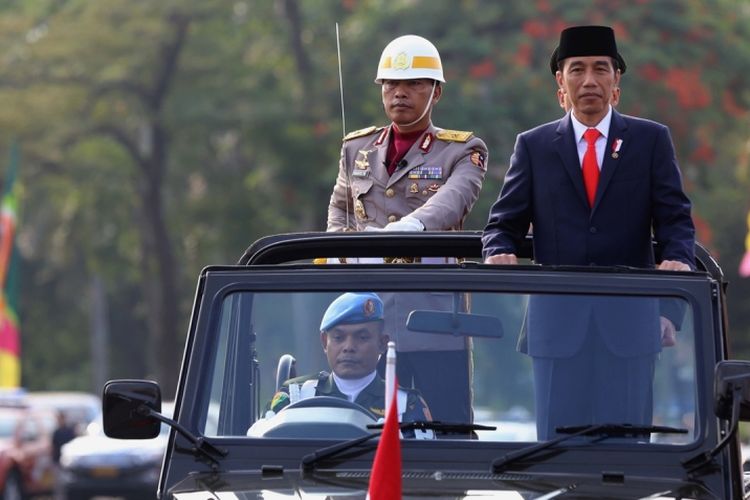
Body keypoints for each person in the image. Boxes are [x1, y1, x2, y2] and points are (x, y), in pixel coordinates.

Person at [482, 25, 695, 439]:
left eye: (601, 68)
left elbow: (676, 223)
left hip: (632, 328)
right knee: (557, 456)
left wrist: (671, 305)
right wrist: (499, 250)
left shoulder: (650, 140)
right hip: (557, 330)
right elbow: (501, 224)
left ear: (617, 80)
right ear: (560, 82)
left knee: (627, 454)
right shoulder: (535, 145)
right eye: (576, 69)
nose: (590, 80)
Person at [326, 35, 488, 423]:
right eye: (391, 84)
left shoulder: (463, 150)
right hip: (367, 323)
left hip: (433, 320)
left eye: (415, 84)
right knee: (360, 427)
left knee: (446, 429)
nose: (401, 93)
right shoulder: (356, 148)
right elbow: (340, 207)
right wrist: (339, 251)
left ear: (436, 93)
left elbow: (454, 200)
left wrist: (413, 225)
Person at [268, 292, 432, 426]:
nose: (349, 347)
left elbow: (422, 461)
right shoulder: (295, 396)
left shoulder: (405, 405)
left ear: (382, 343)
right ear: (325, 342)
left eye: (361, 338)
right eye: (339, 338)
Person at [52, 410, 77, 500]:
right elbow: (53, 447)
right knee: (58, 485)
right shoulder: (56, 432)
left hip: (68, 462)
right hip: (58, 461)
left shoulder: (69, 431)